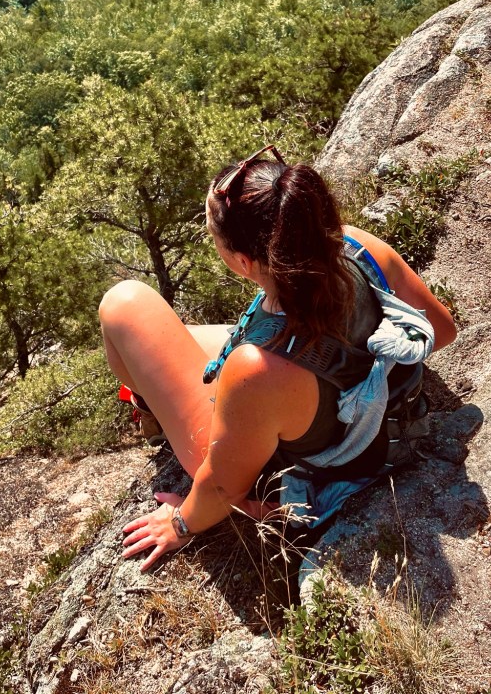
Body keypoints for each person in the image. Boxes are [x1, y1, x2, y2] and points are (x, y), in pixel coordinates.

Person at [99, 146, 457, 572]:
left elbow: (223, 488)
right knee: (177, 339)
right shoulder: (355, 245)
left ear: (244, 261)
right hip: (394, 428)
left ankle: (149, 405)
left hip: (306, 454)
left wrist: (180, 524)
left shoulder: (257, 368)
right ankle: (153, 399)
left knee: (125, 305)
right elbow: (442, 330)